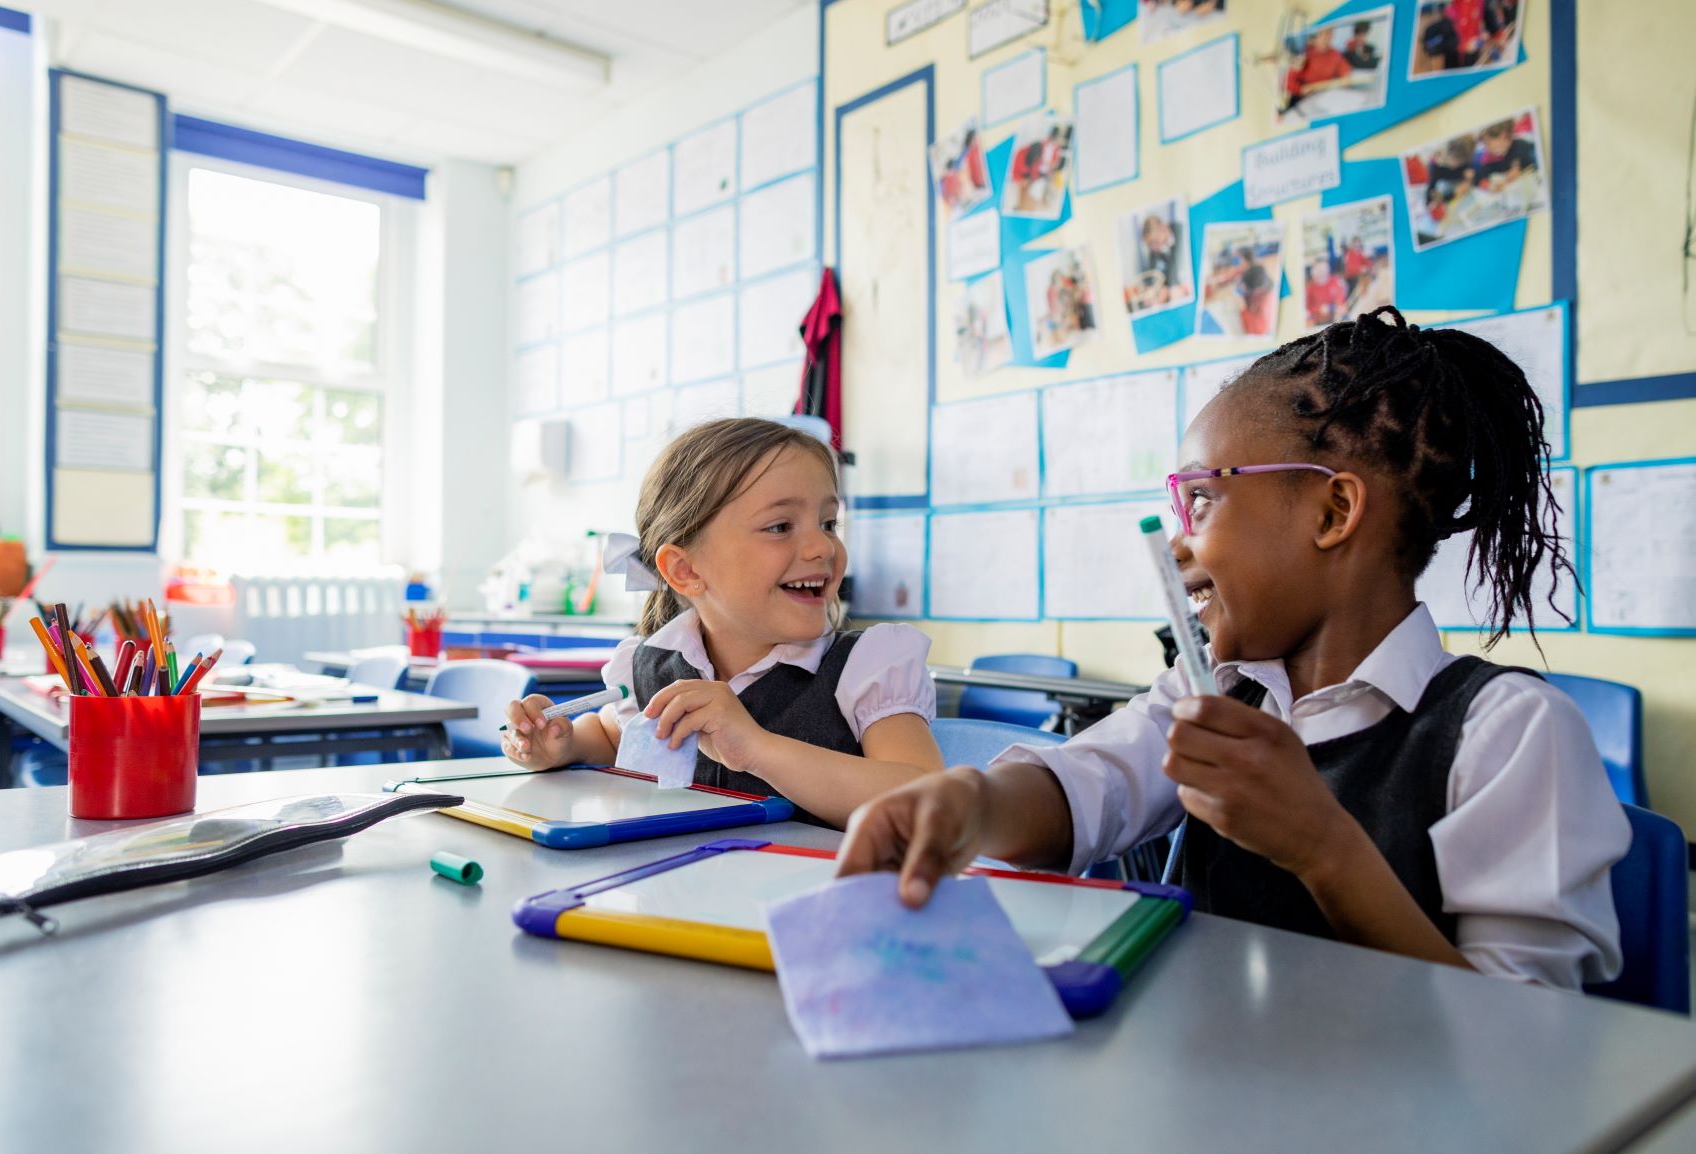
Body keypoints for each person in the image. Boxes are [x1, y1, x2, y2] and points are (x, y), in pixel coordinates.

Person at [837, 307, 1629, 991]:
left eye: (1203, 501)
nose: (1180, 545)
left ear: (1332, 511)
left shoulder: (1506, 733)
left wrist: (1322, 848)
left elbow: (1527, 1039)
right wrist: (971, 806)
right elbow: (1087, 788)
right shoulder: (1214, 689)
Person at [502, 418, 942, 828]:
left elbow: (929, 803)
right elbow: (610, 733)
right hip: (684, 896)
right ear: (685, 571)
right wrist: (564, 744)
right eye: (780, 526)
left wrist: (756, 748)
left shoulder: (868, 667)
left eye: (828, 522)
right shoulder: (654, 663)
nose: (823, 547)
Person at [1304, 258, 1350, 326]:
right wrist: (1319, 310)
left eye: (1324, 269)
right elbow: (1307, 308)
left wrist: (1332, 308)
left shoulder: (1334, 281)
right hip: (1319, 322)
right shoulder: (1310, 287)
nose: (1322, 272)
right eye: (1319, 270)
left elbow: (1342, 302)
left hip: (1336, 318)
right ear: (1314, 272)